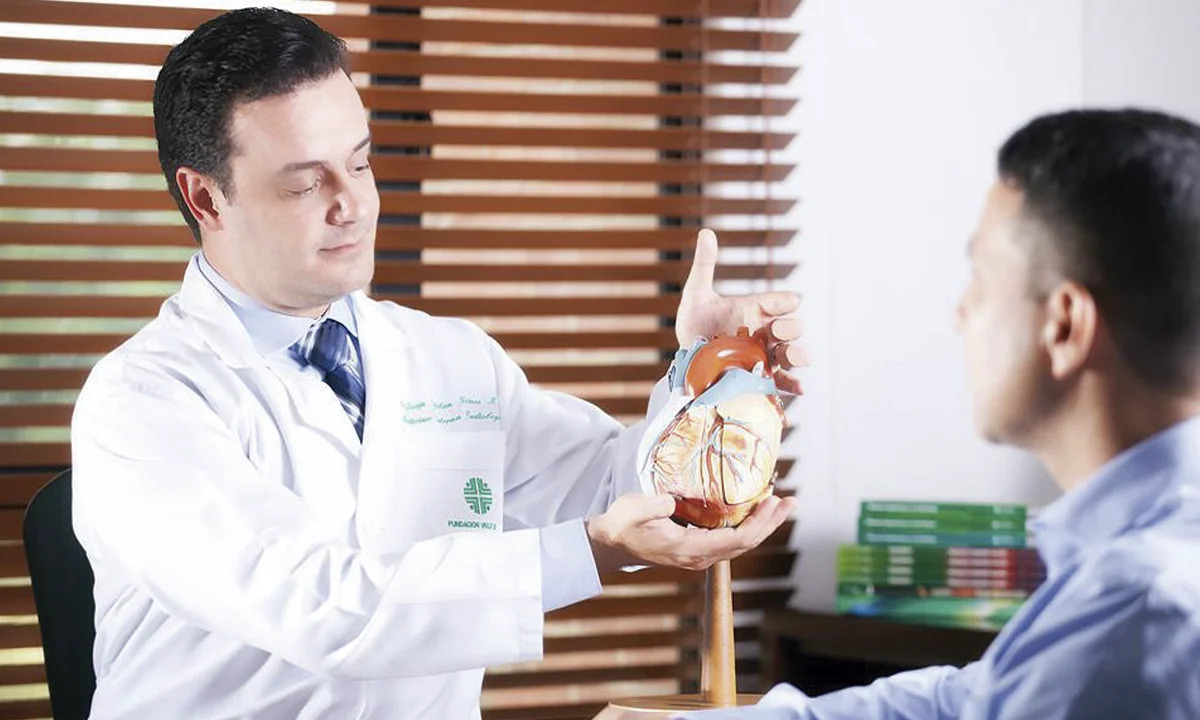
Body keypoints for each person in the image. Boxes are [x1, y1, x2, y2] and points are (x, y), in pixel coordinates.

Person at [68, 7, 805, 720]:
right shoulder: (143, 400)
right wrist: (592, 551)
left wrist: (708, 378)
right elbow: (323, 607)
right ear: (206, 198)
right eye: (304, 183)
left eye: (360, 163)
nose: (353, 204)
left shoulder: (448, 358)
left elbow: (616, 485)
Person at [681, 109, 1200, 720]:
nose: (960, 315)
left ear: (1064, 325)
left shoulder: (1133, 617)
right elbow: (967, 700)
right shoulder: (1141, 570)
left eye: (980, 282)